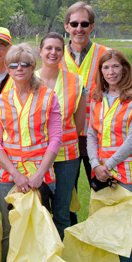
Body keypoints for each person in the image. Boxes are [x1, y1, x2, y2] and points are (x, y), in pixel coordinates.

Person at [0, 43, 62, 262]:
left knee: (39, 226)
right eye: (13, 64)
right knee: (10, 227)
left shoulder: (48, 97)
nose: (19, 69)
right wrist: (15, 174)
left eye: (25, 64)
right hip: (8, 176)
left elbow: (55, 139)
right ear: (8, 69)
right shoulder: (1, 100)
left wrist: (39, 175)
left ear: (33, 67)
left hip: (40, 175)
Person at [88, 49, 132, 262]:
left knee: (127, 226)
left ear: (124, 68)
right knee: (103, 223)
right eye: (106, 68)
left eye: (115, 67)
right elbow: (91, 134)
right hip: (101, 170)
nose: (111, 72)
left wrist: (108, 165)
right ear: (100, 71)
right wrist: (95, 164)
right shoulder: (96, 98)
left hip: (126, 172)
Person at [36, 32, 86, 239]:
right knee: (38, 211)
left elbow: (79, 123)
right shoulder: (29, 79)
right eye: (48, 48)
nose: (53, 52)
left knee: (62, 212)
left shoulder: (75, 81)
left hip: (66, 156)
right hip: (35, 156)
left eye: (58, 48)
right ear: (40, 51)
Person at [61, 2, 110, 194]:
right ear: (66, 26)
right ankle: (68, 225)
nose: (79, 29)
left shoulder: (105, 54)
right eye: (74, 24)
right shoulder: (56, 55)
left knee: (102, 190)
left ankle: (101, 225)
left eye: (84, 23)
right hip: (67, 135)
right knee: (65, 194)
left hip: (98, 134)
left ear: (92, 26)